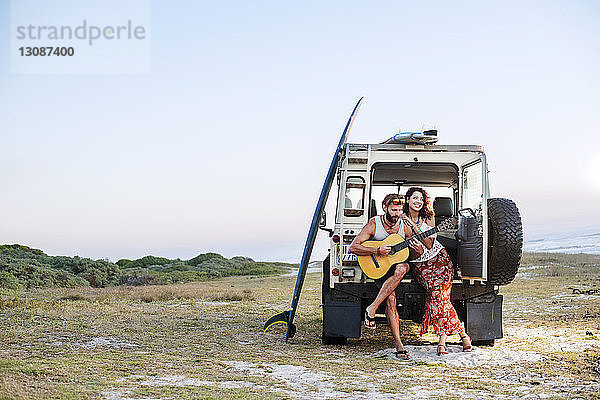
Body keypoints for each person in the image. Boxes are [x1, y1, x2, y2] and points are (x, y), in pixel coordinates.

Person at [349, 193, 422, 361]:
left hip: (396, 267)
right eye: (393, 210)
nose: (397, 213)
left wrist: (417, 250)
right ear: (385, 208)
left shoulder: (405, 226)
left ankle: (372, 308)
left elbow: (411, 253)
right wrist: (377, 250)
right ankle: (398, 344)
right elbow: (354, 248)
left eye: (399, 210)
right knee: (391, 299)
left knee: (403, 266)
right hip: (378, 267)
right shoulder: (374, 224)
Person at [401, 187, 472, 355]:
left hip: (440, 260)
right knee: (438, 297)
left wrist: (414, 227)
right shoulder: (401, 219)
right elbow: (406, 247)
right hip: (421, 265)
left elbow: (429, 244)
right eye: (414, 198)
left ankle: (442, 340)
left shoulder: (429, 217)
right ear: (408, 200)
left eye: (421, 199)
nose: (418, 202)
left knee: (439, 297)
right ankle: (463, 335)